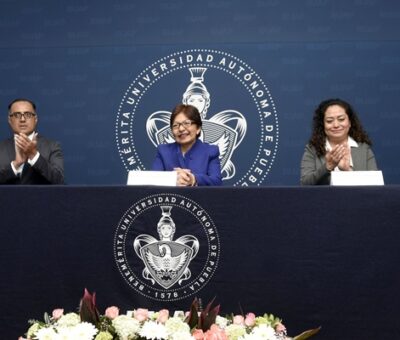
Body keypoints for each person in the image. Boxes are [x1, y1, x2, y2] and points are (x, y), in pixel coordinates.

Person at [300, 98, 378, 185]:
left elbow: (374, 184)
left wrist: (347, 171)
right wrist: (328, 166)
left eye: (341, 119)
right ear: (323, 125)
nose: (336, 125)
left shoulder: (363, 149)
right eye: (329, 121)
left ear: (350, 123)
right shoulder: (312, 149)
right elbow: (305, 183)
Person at [152, 104, 222, 186]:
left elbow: (217, 181)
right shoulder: (163, 151)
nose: (181, 129)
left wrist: (193, 179)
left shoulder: (210, 151)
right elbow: (154, 180)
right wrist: (172, 179)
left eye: (187, 123)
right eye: (175, 125)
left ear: (198, 128)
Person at [0, 98, 64, 184]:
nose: (22, 119)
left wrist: (34, 155)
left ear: (35, 119)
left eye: (28, 114)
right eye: (17, 115)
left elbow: (59, 180)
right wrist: (15, 165)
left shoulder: (52, 146)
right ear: (9, 120)